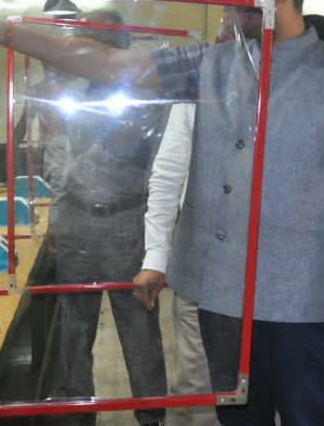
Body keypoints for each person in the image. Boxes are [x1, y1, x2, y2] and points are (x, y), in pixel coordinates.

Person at [0, 0, 324, 425]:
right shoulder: (212, 64)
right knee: (239, 417)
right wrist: (0, 31)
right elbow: (111, 64)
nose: (226, 5)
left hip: (295, 299)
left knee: (306, 416)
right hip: (220, 295)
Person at [46, 10, 168, 426]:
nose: (84, 49)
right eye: (82, 40)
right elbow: (61, 155)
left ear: (119, 44)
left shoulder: (146, 96)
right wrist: (56, 216)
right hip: (77, 217)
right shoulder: (74, 91)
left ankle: (151, 416)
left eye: (93, 40)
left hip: (126, 220)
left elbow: (161, 167)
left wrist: (158, 241)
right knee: (73, 329)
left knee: (138, 329)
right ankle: (78, 413)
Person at [133, 101, 216, 426]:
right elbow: (168, 175)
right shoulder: (197, 92)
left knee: (271, 387)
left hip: (273, 273)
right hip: (201, 264)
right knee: (196, 388)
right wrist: (156, 257)